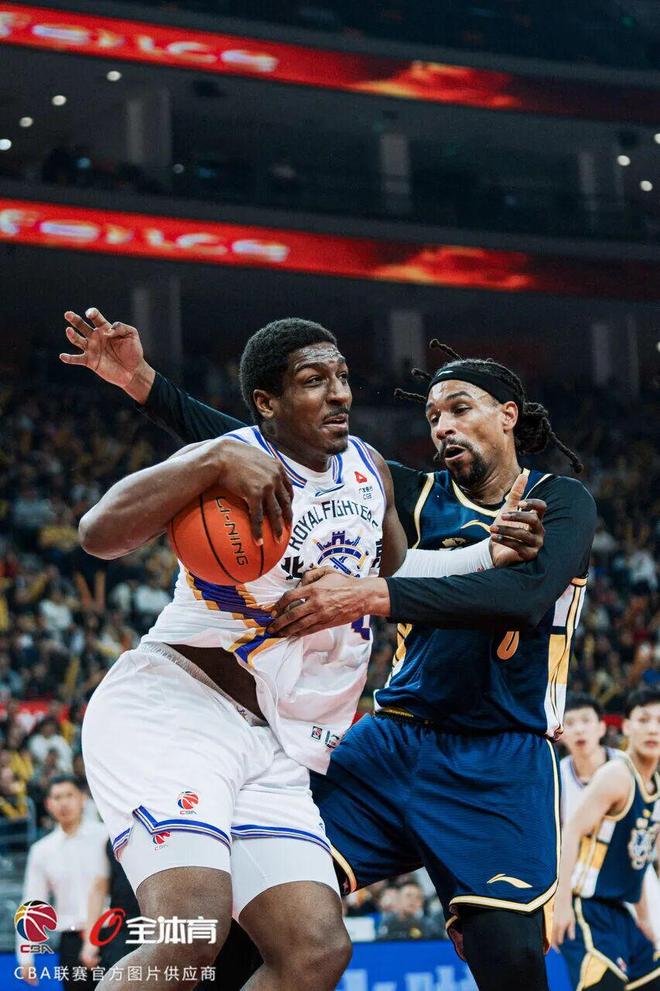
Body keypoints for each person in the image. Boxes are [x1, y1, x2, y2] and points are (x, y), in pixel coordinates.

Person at [61, 314, 577, 991]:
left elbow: (398, 570)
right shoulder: (229, 459)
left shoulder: (368, 469)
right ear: (267, 402)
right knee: (193, 931)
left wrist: (486, 553)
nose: (339, 392)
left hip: (275, 743)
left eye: (342, 376)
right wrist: (205, 456)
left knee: (315, 951)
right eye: (314, 380)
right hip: (178, 708)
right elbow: (96, 533)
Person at [552, 687, 660, 991]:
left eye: (659, 721)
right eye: (644, 720)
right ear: (626, 726)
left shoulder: (653, 785)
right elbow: (571, 832)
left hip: (623, 908)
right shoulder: (617, 775)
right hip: (587, 905)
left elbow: (637, 859)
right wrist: (561, 905)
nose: (653, 728)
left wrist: (644, 918)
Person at [17, 775, 109, 990]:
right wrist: (26, 956)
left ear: (83, 798)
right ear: (48, 804)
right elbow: (33, 903)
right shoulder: (42, 851)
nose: (64, 803)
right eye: (57, 797)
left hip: (110, 935)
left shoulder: (105, 836)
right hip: (71, 941)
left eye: (69, 795)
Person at [560, 692, 622, 826]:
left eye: (586, 720)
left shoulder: (625, 764)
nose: (579, 730)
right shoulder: (557, 775)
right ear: (561, 734)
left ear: (602, 728)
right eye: (569, 723)